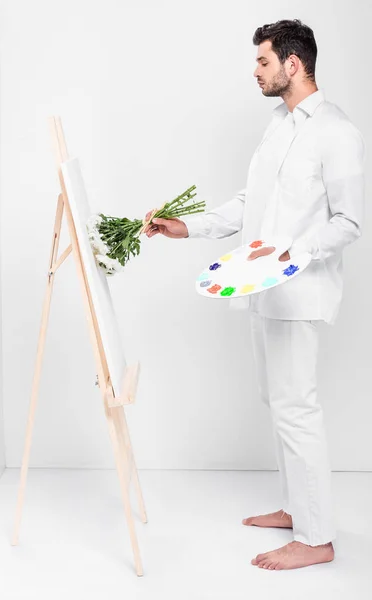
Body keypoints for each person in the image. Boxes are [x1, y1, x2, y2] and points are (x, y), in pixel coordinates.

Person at [143, 19, 365, 570]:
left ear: (293, 63)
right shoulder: (278, 126)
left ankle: (317, 539)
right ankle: (296, 508)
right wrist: (186, 227)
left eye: (263, 61)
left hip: (300, 294)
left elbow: (351, 222)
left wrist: (292, 252)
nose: (256, 71)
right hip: (260, 291)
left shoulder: (336, 131)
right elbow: (252, 203)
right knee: (278, 401)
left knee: (298, 409)